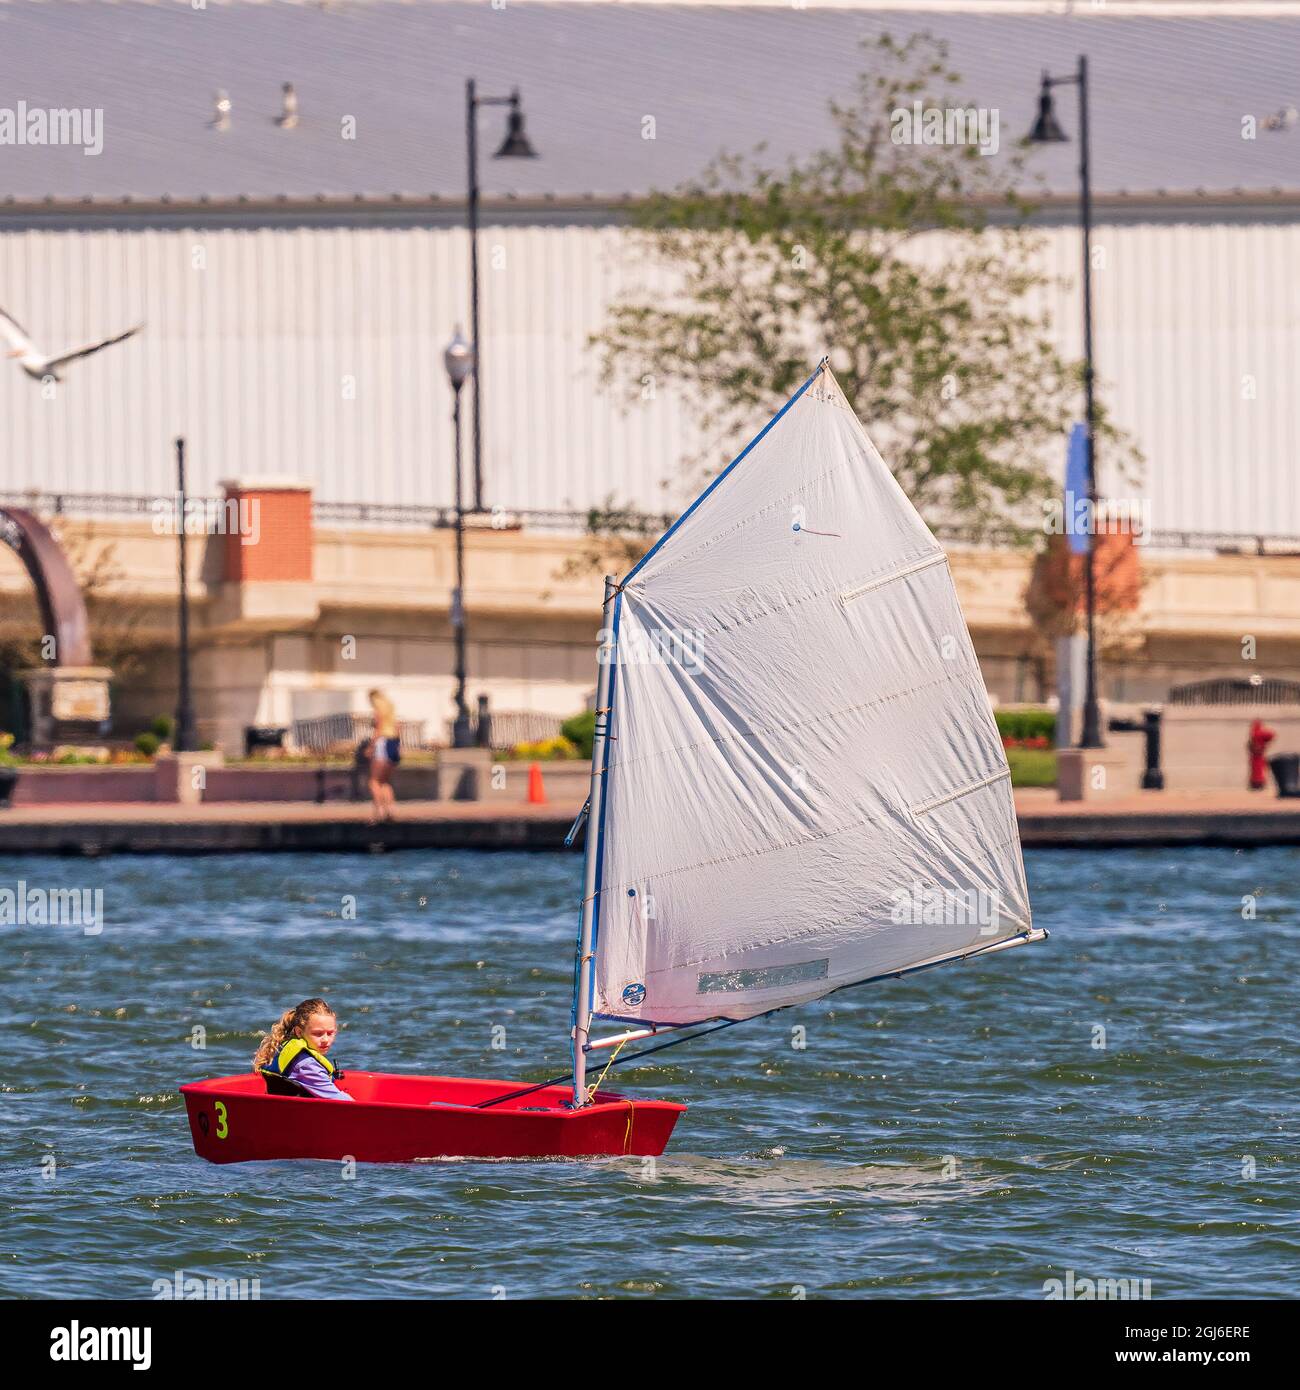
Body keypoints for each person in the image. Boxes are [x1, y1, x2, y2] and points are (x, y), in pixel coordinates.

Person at [252, 997, 353, 1101]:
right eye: (317, 1034)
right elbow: (342, 1101)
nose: (325, 1040)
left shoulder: (288, 1047)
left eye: (330, 1033)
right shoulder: (306, 1065)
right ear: (299, 1032)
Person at [367, 688, 400, 822]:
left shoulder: (378, 711)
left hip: (383, 742)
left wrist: (371, 746)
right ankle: (391, 811)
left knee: (374, 782)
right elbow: (398, 728)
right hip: (393, 743)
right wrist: (398, 746)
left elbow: (379, 728)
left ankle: (379, 812)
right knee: (385, 782)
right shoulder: (391, 711)